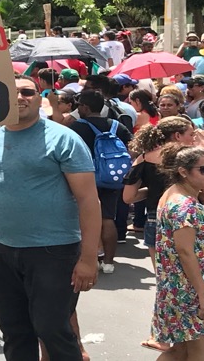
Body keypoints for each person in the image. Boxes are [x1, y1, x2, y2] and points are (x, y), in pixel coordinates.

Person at [0, 76, 101, 361]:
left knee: (53, 331)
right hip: (2, 252)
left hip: (55, 253)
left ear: (40, 99)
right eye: (11, 92)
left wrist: (88, 258)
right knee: (15, 334)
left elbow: (89, 200)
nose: (19, 97)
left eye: (27, 92)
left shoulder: (64, 139)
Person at [124, 117, 196, 353]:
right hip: (188, 222)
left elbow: (129, 197)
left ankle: (163, 335)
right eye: (190, 133)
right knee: (190, 280)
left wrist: (155, 194)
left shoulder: (143, 159)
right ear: (177, 136)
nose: (193, 137)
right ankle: (184, 335)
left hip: (156, 219)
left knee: (166, 282)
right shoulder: (191, 161)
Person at [150, 143, 204, 360]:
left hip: (174, 286)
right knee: (198, 352)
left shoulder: (172, 194)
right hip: (190, 288)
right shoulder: (186, 206)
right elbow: (185, 251)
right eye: (203, 170)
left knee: (179, 351)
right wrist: (202, 293)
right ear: (183, 172)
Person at [70, 90, 133, 274]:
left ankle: (90, 257)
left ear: (85, 107)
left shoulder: (77, 127)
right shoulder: (116, 125)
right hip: (111, 178)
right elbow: (134, 147)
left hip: (83, 178)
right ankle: (109, 262)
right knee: (107, 218)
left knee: (83, 218)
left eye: (79, 105)